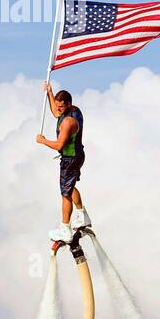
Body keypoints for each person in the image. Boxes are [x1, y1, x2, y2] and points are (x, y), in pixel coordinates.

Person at [36, 83, 91, 250]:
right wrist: (49, 93)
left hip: (70, 159)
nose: (58, 109)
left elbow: (59, 145)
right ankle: (82, 216)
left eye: (61, 107)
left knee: (65, 193)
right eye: (58, 106)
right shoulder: (72, 109)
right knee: (70, 185)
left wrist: (43, 141)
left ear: (68, 105)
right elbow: (54, 111)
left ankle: (65, 229)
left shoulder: (68, 122)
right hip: (77, 155)